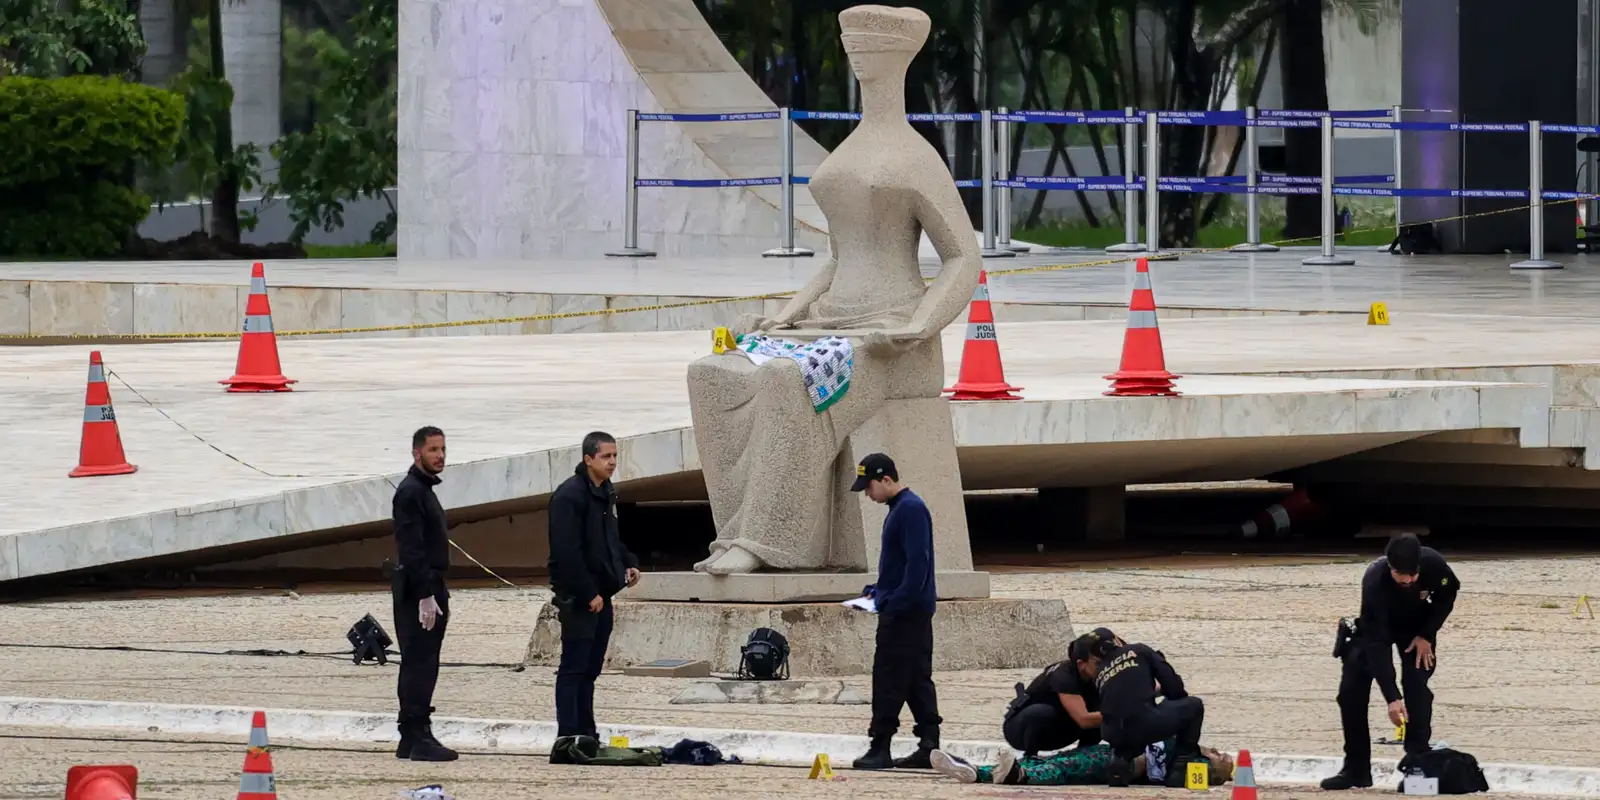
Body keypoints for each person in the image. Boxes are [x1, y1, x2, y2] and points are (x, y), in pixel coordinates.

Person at [1322, 532, 1460, 790]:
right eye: (1401, 575)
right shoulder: (1375, 580)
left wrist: (1426, 634)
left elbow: (1448, 595)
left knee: (1417, 691)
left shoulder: (1434, 565)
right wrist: (1392, 697)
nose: (1408, 580)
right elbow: (1376, 643)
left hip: (1416, 631)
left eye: (1413, 574)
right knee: (1350, 693)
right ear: (1389, 566)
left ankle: (1417, 771)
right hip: (1376, 631)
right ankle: (1356, 769)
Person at [849, 453, 942, 770]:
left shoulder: (910, 509)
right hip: (906, 608)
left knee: (888, 678)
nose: (867, 494)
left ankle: (880, 746)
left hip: (905, 614)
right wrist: (877, 591)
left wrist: (893, 604)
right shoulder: (899, 509)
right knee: (916, 678)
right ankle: (930, 745)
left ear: (885, 479)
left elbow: (918, 565)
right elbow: (899, 566)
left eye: (869, 487)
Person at [548, 431, 641, 741]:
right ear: (589, 459)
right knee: (574, 667)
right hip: (580, 597)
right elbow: (566, 552)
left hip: (604, 595)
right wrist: (588, 592)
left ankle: (586, 733)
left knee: (590, 669)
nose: (612, 462)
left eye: (615, 456)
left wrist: (628, 561)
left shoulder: (606, 492)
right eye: (606, 456)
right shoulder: (570, 496)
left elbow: (610, 539)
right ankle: (568, 734)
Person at [391, 426, 458, 761]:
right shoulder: (411, 492)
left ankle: (410, 735)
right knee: (420, 662)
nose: (440, 455)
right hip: (419, 587)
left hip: (428, 584)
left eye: (443, 449)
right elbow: (411, 548)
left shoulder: (424, 490)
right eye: (433, 449)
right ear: (417, 453)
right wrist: (424, 595)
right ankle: (417, 734)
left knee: (422, 662)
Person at [1089, 633, 1206, 787]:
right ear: (1116, 641)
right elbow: (1174, 687)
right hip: (1143, 722)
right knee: (1194, 706)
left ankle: (1119, 759)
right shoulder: (1139, 650)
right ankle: (1179, 766)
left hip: (1112, 733)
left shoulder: (1098, 674)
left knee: (1133, 721)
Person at [1002, 628, 1116, 756]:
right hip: (1020, 730)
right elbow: (1084, 720)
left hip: (1063, 725)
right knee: (1040, 713)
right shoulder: (1064, 676)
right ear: (1081, 664)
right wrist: (1124, 714)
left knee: (1102, 712)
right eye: (1098, 663)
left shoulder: (1101, 675)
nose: (1105, 667)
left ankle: (1085, 754)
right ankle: (1030, 756)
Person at [930, 739, 1235, 787]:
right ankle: (978, 772)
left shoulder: (1194, 765)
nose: (1217, 751)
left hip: (1125, 764)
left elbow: (1191, 780)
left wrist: (1210, 761)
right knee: (1062, 760)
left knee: (1066, 768)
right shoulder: (1186, 746)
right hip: (1115, 753)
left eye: (1222, 757)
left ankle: (1020, 776)